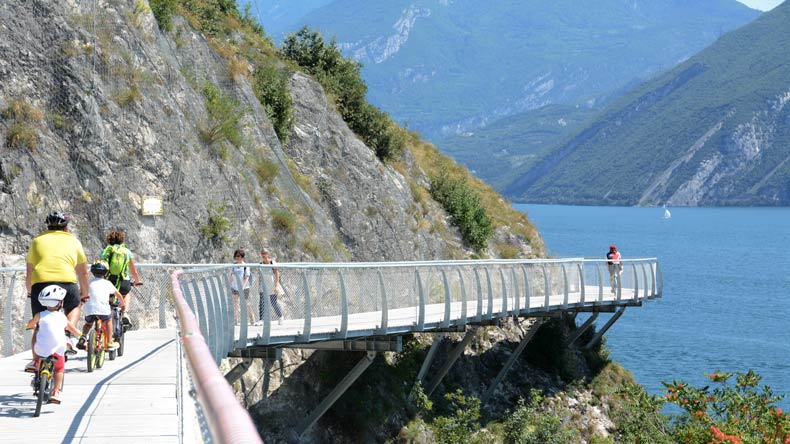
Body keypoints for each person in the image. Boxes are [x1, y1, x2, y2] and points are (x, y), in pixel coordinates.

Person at [25, 211, 89, 372]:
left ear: (48, 226)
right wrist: (84, 292)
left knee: (39, 325)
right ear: (66, 227)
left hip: (40, 283)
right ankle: (66, 335)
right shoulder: (74, 241)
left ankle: (35, 361)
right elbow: (83, 272)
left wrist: (30, 291)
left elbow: (30, 270)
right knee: (75, 307)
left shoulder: (37, 241)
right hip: (67, 282)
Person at [24, 285, 81, 404]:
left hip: (41, 348)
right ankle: (56, 391)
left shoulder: (39, 315)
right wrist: (79, 334)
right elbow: (72, 329)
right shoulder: (62, 317)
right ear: (59, 303)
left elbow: (31, 324)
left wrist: (30, 325)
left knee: (38, 342)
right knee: (59, 368)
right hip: (58, 349)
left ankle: (35, 362)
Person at [77, 261, 125, 351]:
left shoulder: (88, 282)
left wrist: (80, 302)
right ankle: (110, 342)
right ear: (106, 273)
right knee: (108, 321)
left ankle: (83, 336)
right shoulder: (107, 283)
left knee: (88, 324)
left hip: (89, 309)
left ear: (92, 271)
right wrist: (123, 304)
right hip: (103, 310)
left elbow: (80, 293)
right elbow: (118, 295)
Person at [100, 229, 141, 328]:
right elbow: (133, 271)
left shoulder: (107, 251)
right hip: (123, 282)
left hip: (108, 282)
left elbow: (102, 267)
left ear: (109, 240)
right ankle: (125, 313)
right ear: (122, 240)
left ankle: (105, 322)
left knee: (108, 298)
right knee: (126, 294)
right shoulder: (127, 252)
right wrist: (137, 281)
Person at [258, 248, 283, 325]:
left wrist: (276, 286)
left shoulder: (272, 262)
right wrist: (259, 285)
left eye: (265, 253)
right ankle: (261, 319)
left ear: (268, 254)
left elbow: (277, 274)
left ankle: (280, 316)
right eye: (262, 253)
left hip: (272, 285)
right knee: (261, 302)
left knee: (273, 302)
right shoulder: (261, 264)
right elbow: (260, 275)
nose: (264, 255)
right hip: (264, 286)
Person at [229, 249, 253, 324]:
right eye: (236, 256)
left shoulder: (245, 266)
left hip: (244, 288)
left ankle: (252, 319)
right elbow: (231, 276)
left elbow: (246, 278)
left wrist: (242, 287)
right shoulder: (233, 265)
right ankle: (235, 320)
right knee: (235, 303)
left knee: (246, 304)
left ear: (242, 256)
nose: (237, 257)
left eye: (238, 256)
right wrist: (229, 284)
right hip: (234, 287)